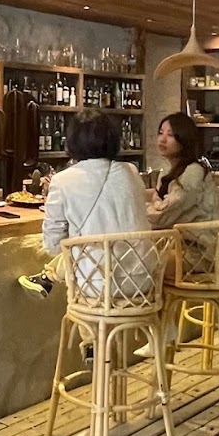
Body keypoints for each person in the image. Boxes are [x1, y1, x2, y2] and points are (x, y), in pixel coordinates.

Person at [19, 110, 148, 300]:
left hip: (98, 287)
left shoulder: (62, 180)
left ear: (72, 141)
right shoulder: (131, 171)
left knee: (79, 248)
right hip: (143, 281)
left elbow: (52, 245)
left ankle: (48, 277)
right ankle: (48, 277)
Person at [147, 113, 219, 229]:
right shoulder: (166, 171)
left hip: (196, 237)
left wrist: (141, 210)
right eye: (161, 133)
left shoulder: (194, 171)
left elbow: (164, 215)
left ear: (184, 140)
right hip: (172, 235)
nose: (162, 139)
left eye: (170, 135)